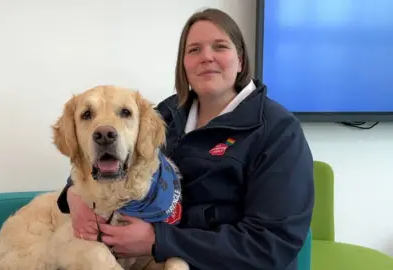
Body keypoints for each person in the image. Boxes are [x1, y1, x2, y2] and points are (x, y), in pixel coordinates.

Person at [56, 7, 314, 270]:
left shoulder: (279, 131)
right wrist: (72, 196)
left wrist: (160, 241)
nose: (207, 57)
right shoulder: (168, 113)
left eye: (220, 47)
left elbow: (271, 243)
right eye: (194, 50)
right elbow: (110, 156)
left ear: (241, 60)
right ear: (184, 65)